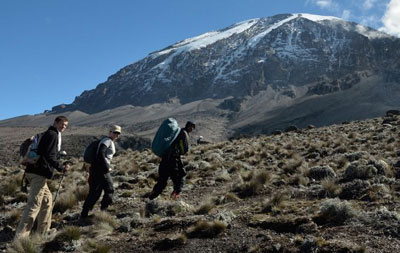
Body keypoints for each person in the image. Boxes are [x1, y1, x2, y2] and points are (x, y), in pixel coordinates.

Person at [15, 116, 70, 239]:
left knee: (47, 201)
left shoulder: (46, 134)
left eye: (66, 125)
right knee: (34, 205)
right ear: (55, 123)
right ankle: (20, 238)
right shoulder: (53, 135)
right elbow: (49, 156)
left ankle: (43, 231)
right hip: (38, 174)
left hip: (34, 171)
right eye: (62, 124)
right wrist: (61, 167)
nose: (63, 127)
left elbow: (46, 153)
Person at [80, 125, 121, 219]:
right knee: (110, 189)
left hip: (95, 169)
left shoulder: (107, 140)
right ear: (110, 132)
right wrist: (106, 167)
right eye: (115, 132)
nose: (116, 135)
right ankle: (104, 212)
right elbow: (100, 153)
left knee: (95, 192)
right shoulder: (107, 140)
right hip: (101, 170)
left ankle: (84, 214)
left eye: (118, 133)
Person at [148, 121, 195, 200]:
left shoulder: (177, 132)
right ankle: (174, 198)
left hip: (165, 159)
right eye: (191, 127)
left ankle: (150, 198)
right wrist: (181, 152)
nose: (192, 129)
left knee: (162, 181)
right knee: (180, 177)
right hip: (174, 160)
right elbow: (183, 149)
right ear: (188, 126)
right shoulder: (183, 133)